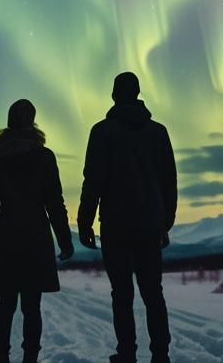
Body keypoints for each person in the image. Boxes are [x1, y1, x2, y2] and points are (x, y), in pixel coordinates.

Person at [77, 72, 177, 363]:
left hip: (116, 226)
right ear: (137, 93)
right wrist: (164, 221)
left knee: (121, 294)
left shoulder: (102, 132)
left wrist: (85, 222)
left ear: (113, 95)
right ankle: (161, 354)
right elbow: (169, 180)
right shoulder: (158, 132)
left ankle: (127, 353)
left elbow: (92, 180)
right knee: (153, 293)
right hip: (149, 226)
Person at [0, 99, 75, 363]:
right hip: (35, 235)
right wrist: (64, 240)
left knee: (4, 305)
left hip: (5, 233)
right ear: (32, 120)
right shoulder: (44, 156)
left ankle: (1, 357)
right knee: (32, 306)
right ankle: (30, 357)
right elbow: (55, 202)